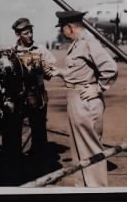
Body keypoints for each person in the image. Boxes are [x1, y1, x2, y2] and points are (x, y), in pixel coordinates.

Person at [46, 10, 118, 187]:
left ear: (69, 27)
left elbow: (110, 68)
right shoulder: (78, 43)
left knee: (91, 150)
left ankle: (96, 190)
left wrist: (98, 88)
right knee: (81, 151)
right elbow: (79, 72)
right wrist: (60, 72)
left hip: (84, 101)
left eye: (62, 29)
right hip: (76, 99)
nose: (62, 33)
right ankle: (84, 189)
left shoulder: (87, 43)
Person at [11, 18, 56, 157]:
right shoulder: (12, 52)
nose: (30, 35)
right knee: (22, 129)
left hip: (38, 96)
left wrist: (44, 68)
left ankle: (40, 158)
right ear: (18, 35)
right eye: (26, 33)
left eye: (31, 32)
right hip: (20, 97)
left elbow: (52, 69)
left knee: (39, 129)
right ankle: (24, 159)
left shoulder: (40, 49)